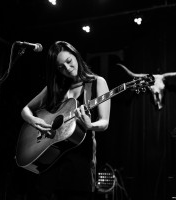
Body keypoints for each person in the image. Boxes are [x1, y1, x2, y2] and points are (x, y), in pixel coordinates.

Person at [21, 41, 111, 200]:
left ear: (76, 55)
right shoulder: (55, 87)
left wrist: (90, 125)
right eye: (61, 67)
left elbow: (104, 122)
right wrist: (34, 120)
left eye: (69, 62)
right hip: (50, 159)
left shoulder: (97, 82)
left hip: (80, 160)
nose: (68, 69)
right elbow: (25, 110)